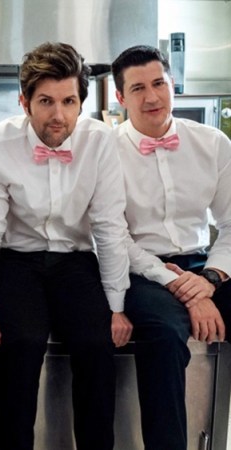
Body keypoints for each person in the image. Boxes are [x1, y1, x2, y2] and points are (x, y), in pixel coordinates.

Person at [0, 42, 132, 450]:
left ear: (81, 102)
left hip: (76, 261)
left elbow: (109, 227)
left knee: (96, 346)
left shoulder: (100, 143)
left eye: (69, 101)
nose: (58, 115)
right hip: (17, 260)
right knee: (20, 346)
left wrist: (116, 306)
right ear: (24, 102)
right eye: (46, 101)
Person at [111, 45, 231, 450]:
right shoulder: (105, 153)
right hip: (141, 271)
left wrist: (210, 280)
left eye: (159, 83)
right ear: (120, 97)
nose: (152, 97)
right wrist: (181, 286)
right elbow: (112, 238)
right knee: (163, 338)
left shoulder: (212, 143)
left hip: (204, 264)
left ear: (172, 84)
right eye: (138, 88)